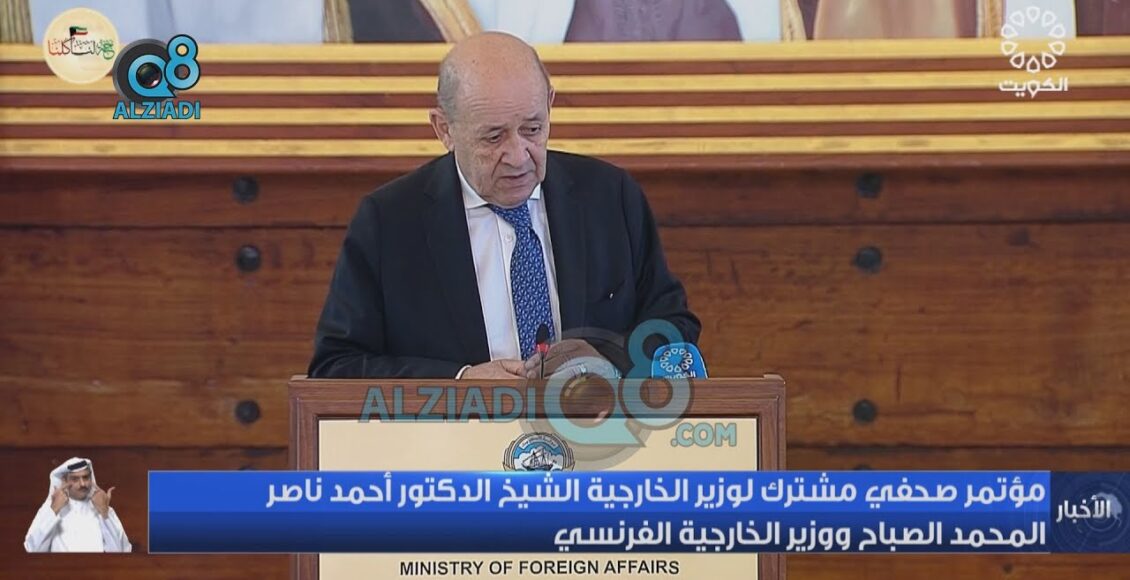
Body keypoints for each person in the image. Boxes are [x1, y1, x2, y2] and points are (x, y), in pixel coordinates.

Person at [308, 32, 700, 380]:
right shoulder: (389, 221)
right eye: (493, 137)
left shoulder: (609, 196)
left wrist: (608, 359)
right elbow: (337, 366)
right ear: (443, 129)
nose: (518, 156)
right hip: (456, 436)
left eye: (533, 129)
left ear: (550, 105)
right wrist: (459, 382)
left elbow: (674, 327)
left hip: (596, 430)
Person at [24, 457, 132, 553]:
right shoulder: (50, 509)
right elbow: (33, 550)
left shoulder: (103, 507)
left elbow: (121, 552)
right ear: (64, 480)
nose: (83, 484)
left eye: (86, 477)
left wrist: (104, 513)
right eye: (75, 479)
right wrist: (54, 510)